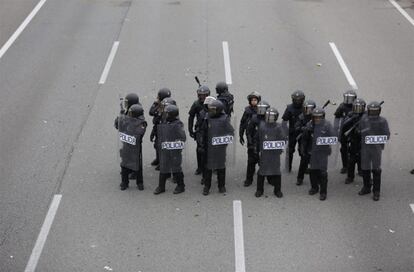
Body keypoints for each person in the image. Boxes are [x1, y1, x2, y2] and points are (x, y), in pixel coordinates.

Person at [199, 100, 234, 195]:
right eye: (210, 109)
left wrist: (224, 141)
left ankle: (221, 186)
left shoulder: (224, 119)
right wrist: (201, 144)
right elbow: (202, 132)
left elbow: (230, 132)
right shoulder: (207, 118)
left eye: (213, 110)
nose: (211, 111)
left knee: (221, 167)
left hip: (220, 148)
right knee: (208, 168)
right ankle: (207, 186)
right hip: (209, 148)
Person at [302, 107, 336, 201]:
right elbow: (304, 140)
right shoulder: (309, 125)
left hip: (323, 153)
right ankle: (314, 188)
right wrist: (303, 150)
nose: (317, 119)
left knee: (323, 173)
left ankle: (323, 192)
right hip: (312, 152)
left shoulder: (327, 125)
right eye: (315, 117)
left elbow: (334, 136)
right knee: (313, 171)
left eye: (319, 117)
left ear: (323, 117)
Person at [358, 101, 390, 201]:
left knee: (376, 170)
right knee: (365, 169)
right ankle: (366, 187)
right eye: (371, 111)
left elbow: (387, 135)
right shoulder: (364, 120)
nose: (373, 113)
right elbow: (359, 131)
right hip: (365, 148)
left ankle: (376, 191)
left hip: (376, 149)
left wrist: (376, 138)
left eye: (375, 111)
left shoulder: (382, 121)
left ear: (379, 111)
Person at [153, 104, 186, 195]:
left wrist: (174, 144)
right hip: (165, 149)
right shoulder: (165, 122)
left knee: (176, 168)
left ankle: (181, 186)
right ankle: (161, 186)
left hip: (174, 151)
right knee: (163, 167)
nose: (165, 115)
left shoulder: (178, 125)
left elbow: (183, 138)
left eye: (166, 114)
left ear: (172, 115)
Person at [255, 107, 287, 198]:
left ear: (276, 117)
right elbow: (257, 138)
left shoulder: (279, 127)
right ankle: (259, 190)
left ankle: (277, 190)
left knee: (276, 171)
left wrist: (279, 149)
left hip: (275, 154)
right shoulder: (262, 126)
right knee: (262, 171)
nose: (269, 119)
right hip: (264, 154)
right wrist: (256, 149)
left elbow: (283, 139)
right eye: (268, 116)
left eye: (272, 117)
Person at [116, 104, 147, 190]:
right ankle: (124, 182)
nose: (128, 114)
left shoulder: (142, 123)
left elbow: (139, 132)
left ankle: (139, 182)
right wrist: (120, 117)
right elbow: (118, 127)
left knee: (137, 166)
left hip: (136, 148)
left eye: (130, 113)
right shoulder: (127, 119)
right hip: (126, 146)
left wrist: (128, 123)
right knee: (124, 164)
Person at [244, 100, 270, 186]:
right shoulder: (254, 118)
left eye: (263, 109)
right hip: (254, 144)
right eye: (260, 109)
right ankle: (249, 179)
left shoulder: (269, 119)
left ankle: (268, 179)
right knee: (251, 162)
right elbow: (248, 131)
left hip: (265, 145)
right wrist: (250, 143)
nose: (261, 111)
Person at [340, 98, 366, 184]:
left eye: (360, 107)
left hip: (363, 141)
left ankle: (361, 171)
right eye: (356, 107)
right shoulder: (350, 115)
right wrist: (352, 119)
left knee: (362, 158)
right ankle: (350, 177)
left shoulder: (366, 116)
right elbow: (344, 126)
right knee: (351, 160)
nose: (358, 110)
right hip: (353, 140)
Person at [239, 91, 261, 186]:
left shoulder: (262, 110)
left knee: (263, 160)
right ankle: (249, 179)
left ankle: (267, 176)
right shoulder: (247, 111)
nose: (254, 101)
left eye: (255, 100)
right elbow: (242, 123)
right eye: (252, 100)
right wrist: (241, 135)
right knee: (251, 160)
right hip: (250, 136)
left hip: (261, 138)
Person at [188, 85, 210, 175]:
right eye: (200, 95)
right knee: (200, 150)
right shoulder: (196, 104)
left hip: (211, 129)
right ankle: (200, 167)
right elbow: (191, 116)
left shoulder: (213, 103)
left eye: (204, 95)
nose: (202, 97)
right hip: (200, 130)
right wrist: (190, 129)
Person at [334, 90, 357, 174]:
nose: (348, 100)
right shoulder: (341, 107)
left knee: (357, 150)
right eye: (347, 98)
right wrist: (336, 129)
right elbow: (337, 118)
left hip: (355, 131)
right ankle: (345, 166)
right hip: (344, 130)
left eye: (350, 98)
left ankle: (360, 169)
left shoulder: (357, 106)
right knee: (343, 149)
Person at [282, 90, 305, 172]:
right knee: (290, 151)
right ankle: (288, 167)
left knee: (303, 151)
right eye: (296, 99)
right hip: (292, 133)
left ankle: (304, 168)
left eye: (299, 100)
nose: (298, 101)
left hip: (303, 133)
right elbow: (284, 122)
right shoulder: (289, 108)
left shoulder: (305, 108)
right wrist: (285, 133)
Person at [149, 88, 172, 170]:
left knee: (162, 147)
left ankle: (163, 162)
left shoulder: (170, 105)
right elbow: (151, 112)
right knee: (156, 145)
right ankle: (158, 159)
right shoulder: (158, 104)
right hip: (157, 127)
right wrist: (157, 104)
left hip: (165, 129)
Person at [295, 100, 316, 185]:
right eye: (306, 109)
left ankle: (316, 179)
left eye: (310, 109)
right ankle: (300, 178)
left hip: (314, 141)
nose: (308, 111)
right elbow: (296, 127)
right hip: (304, 141)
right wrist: (304, 129)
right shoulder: (301, 117)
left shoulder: (317, 117)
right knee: (303, 160)